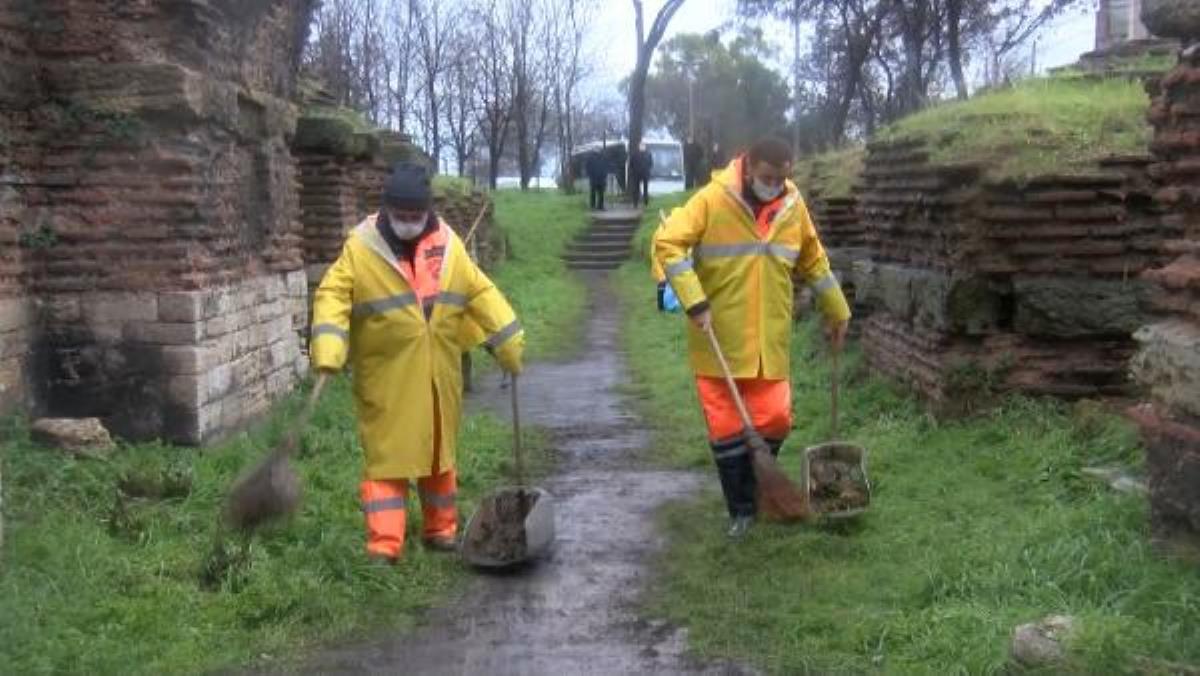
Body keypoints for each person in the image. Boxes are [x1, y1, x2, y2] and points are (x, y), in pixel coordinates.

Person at [310, 161, 525, 562]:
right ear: (387, 211)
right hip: (386, 376)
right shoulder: (361, 248)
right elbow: (333, 296)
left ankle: (441, 530)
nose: (409, 223)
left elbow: (480, 292)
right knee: (387, 459)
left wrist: (508, 340)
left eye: (415, 216)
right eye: (401, 216)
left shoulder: (448, 246)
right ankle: (384, 545)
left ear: (427, 211)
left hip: (438, 374)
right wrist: (328, 349)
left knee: (438, 455)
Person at [651, 137, 851, 540]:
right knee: (726, 429)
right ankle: (740, 510)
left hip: (769, 339)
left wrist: (837, 308)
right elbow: (667, 243)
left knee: (776, 417)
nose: (775, 185)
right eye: (767, 177)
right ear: (748, 166)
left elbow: (813, 259)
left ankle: (763, 486)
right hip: (717, 337)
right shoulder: (712, 199)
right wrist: (694, 301)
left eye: (782, 178)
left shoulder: (792, 205)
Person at [631, 142, 653, 207]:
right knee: (636, 189)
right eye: (641, 146)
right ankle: (635, 203)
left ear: (645, 147)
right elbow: (631, 163)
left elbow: (651, 163)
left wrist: (647, 170)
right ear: (639, 147)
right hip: (636, 174)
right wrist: (634, 171)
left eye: (643, 146)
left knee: (645, 189)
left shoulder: (648, 154)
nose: (642, 147)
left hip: (645, 174)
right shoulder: (634, 154)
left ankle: (646, 202)